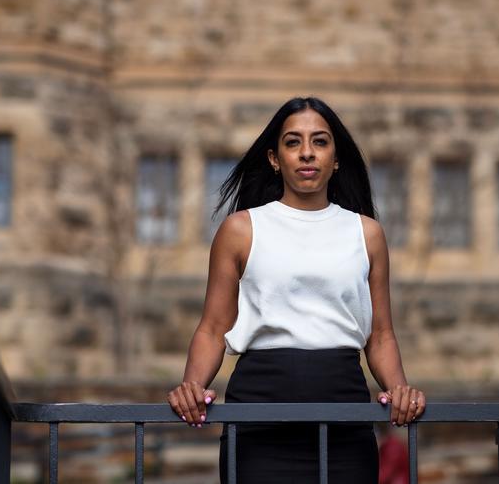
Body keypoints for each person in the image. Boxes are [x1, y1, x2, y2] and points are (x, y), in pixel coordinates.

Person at [166, 96, 426, 483]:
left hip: (345, 421)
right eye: (293, 142)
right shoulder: (241, 229)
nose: (307, 153)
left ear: (336, 159)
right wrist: (192, 385)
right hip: (258, 423)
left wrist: (400, 389)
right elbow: (213, 328)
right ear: (275, 158)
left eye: (320, 142)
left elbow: (381, 333)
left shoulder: (367, 233)